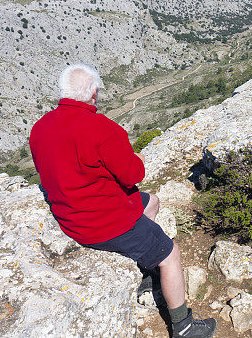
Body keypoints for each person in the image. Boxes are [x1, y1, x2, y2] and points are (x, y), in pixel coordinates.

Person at [29, 63, 216, 338]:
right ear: (94, 93)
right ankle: (184, 326)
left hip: (70, 217)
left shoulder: (40, 128)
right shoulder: (103, 129)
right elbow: (134, 174)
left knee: (151, 202)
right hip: (104, 224)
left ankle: (145, 269)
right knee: (171, 254)